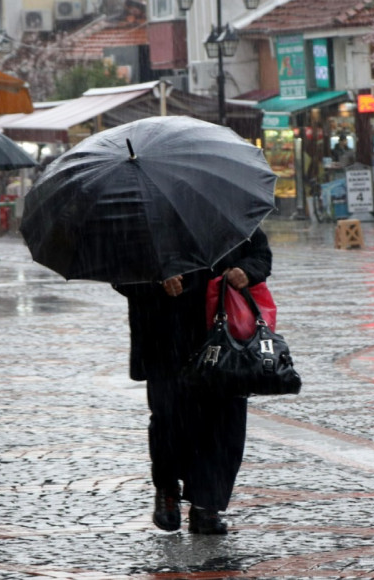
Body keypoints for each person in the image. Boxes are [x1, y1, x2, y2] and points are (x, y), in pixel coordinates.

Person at [115, 228, 272, 535]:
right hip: (165, 338)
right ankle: (167, 491)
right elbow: (121, 270)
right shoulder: (141, 216)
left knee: (224, 421)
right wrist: (156, 280)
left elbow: (261, 255)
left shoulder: (227, 209)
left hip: (223, 334)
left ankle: (207, 506)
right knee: (169, 419)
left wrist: (246, 271)